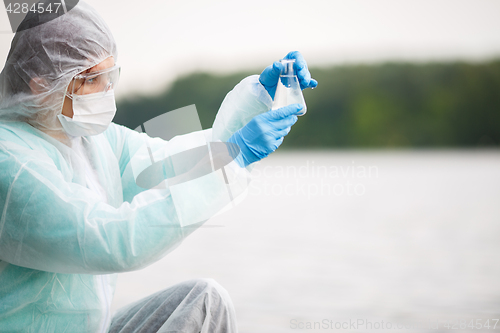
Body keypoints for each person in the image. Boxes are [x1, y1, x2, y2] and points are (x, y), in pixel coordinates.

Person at [0, 1, 318, 332]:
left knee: (204, 303)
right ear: (41, 84)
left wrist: (256, 103)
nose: (107, 90)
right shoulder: (10, 162)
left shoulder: (91, 140)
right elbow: (111, 239)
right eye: (92, 78)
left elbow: (171, 163)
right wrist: (234, 157)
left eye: (111, 75)